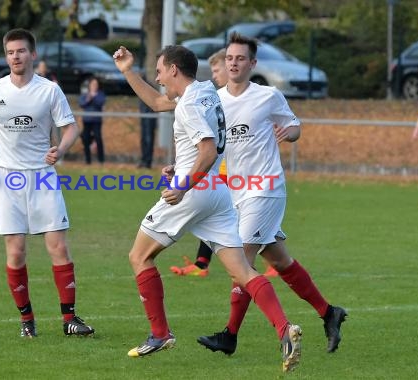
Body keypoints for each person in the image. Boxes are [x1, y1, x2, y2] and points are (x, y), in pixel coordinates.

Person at [113, 45, 302, 372]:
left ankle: (160, 334)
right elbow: (159, 103)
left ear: (174, 69)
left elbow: (208, 150)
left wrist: (182, 185)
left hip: (194, 191)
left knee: (139, 256)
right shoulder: (205, 92)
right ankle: (285, 329)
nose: (157, 78)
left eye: (159, 71)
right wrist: (128, 70)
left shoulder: (188, 105)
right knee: (242, 271)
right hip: (218, 192)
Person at [197, 33, 347, 357]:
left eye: (240, 59)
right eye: (230, 58)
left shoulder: (268, 95)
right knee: (279, 260)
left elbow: (294, 126)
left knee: (240, 260)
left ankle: (235, 335)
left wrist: (289, 133)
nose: (234, 63)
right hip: (235, 193)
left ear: (252, 64)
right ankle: (329, 313)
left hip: (265, 189)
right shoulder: (215, 99)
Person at [0, 28, 95, 339]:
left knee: (58, 246)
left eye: (21, 51)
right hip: (8, 178)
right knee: (15, 253)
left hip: (42, 176)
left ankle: (69, 319)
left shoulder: (50, 90)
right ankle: (27, 320)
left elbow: (71, 129)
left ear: (33, 54)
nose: (15, 56)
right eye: (10, 52)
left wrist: (62, 148)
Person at [170, 48, 277, 278]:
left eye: (218, 69)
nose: (216, 74)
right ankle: (203, 263)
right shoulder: (211, 97)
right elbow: (162, 103)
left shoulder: (244, 99)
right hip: (226, 173)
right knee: (231, 225)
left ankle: (205, 265)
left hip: (247, 180)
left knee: (238, 243)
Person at [79, 77, 106, 165]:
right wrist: (88, 99)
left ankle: (101, 160)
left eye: (96, 84)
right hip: (87, 120)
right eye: (93, 84)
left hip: (96, 120)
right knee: (85, 138)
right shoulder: (85, 94)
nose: (94, 86)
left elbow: (101, 103)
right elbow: (82, 104)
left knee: (98, 138)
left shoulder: (100, 94)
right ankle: (88, 160)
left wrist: (93, 98)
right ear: (89, 85)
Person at [138, 100, 157, 168]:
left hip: (149, 115)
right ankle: (144, 160)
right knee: (143, 139)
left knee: (148, 138)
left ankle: (148, 161)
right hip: (144, 114)